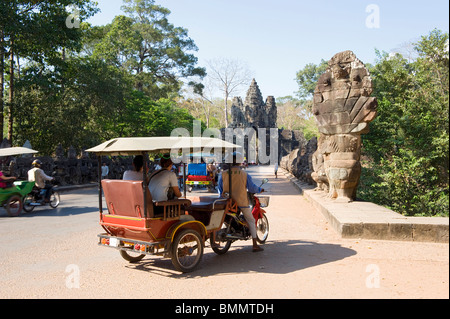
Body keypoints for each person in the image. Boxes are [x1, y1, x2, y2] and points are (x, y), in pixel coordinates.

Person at [218, 152, 265, 252]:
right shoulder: (244, 174)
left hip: (226, 203)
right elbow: (252, 188)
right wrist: (260, 189)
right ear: (240, 162)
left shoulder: (222, 174)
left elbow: (220, 189)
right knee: (251, 220)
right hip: (241, 203)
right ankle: (255, 245)